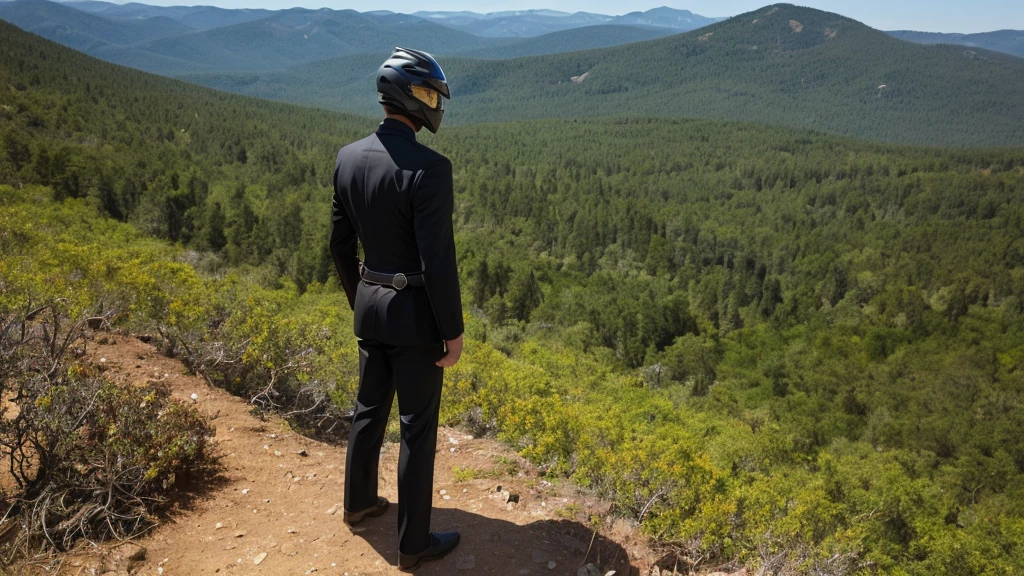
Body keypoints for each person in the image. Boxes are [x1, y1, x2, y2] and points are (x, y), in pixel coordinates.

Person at [329, 46, 464, 572]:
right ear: (410, 98)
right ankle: (413, 545)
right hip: (415, 320)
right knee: (415, 428)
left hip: (370, 308)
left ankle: (359, 502)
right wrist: (451, 331)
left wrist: (360, 299)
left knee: (367, 411)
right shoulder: (431, 169)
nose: (435, 103)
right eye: (430, 93)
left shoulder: (347, 157)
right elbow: (437, 262)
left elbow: (340, 246)